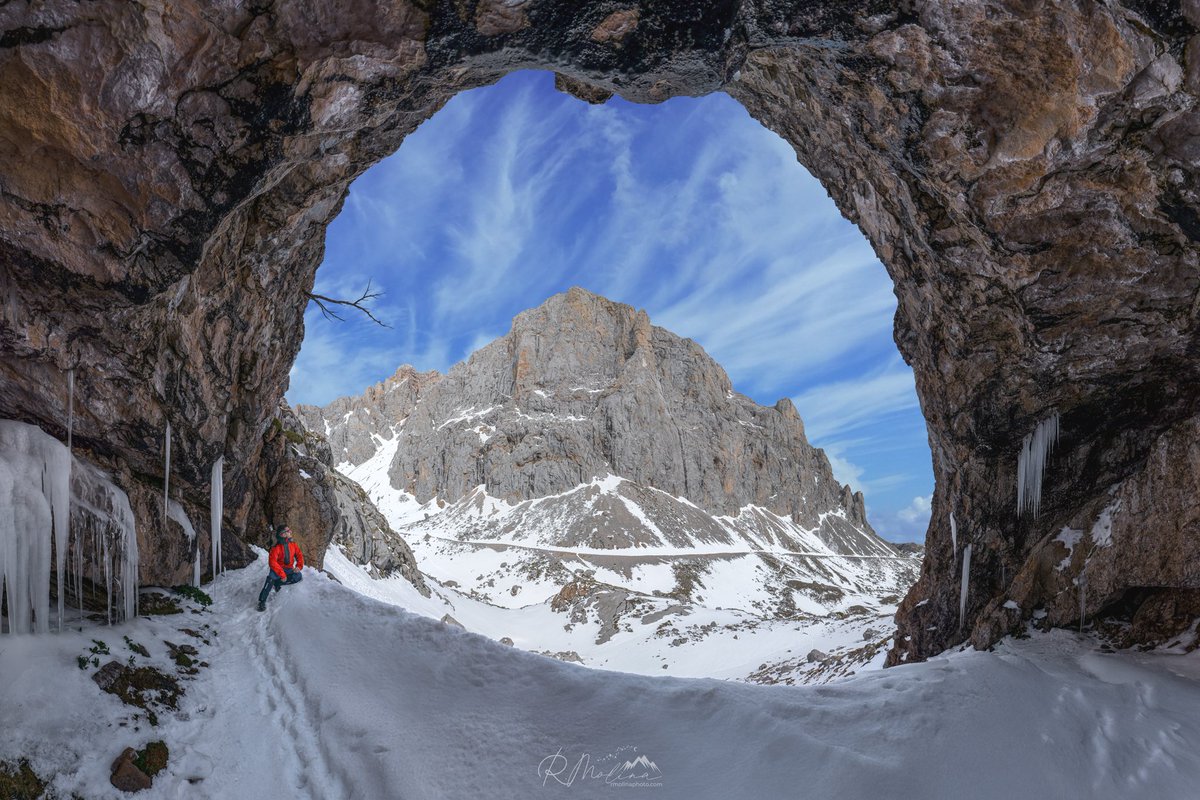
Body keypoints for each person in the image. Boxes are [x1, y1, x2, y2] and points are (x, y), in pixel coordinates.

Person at [257, 524, 304, 612]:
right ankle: (262, 601)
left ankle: (278, 583)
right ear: (283, 534)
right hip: (277, 570)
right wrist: (282, 574)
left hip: (289, 569)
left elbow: (299, 555)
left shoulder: (293, 544)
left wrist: (299, 566)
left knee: (298, 576)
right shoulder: (276, 548)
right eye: (288, 531)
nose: (290, 532)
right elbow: (272, 563)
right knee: (270, 580)